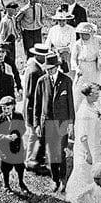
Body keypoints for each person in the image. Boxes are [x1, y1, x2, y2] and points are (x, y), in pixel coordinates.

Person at [31, 52, 75, 194]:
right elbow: (37, 105)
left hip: (62, 122)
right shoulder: (42, 81)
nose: (50, 71)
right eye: (48, 68)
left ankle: (63, 180)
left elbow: (71, 104)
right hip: (47, 123)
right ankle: (55, 179)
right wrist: (37, 124)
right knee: (51, 154)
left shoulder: (66, 81)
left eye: (52, 68)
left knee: (61, 153)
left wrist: (71, 123)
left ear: (57, 66)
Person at [0, 95, 28, 193]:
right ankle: (6, 186)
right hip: (5, 149)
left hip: (17, 147)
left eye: (8, 108)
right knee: (5, 168)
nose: (6, 110)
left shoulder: (18, 116)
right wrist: (5, 137)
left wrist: (17, 134)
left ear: (13, 106)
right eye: (3, 108)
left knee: (20, 167)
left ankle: (21, 182)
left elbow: (23, 128)